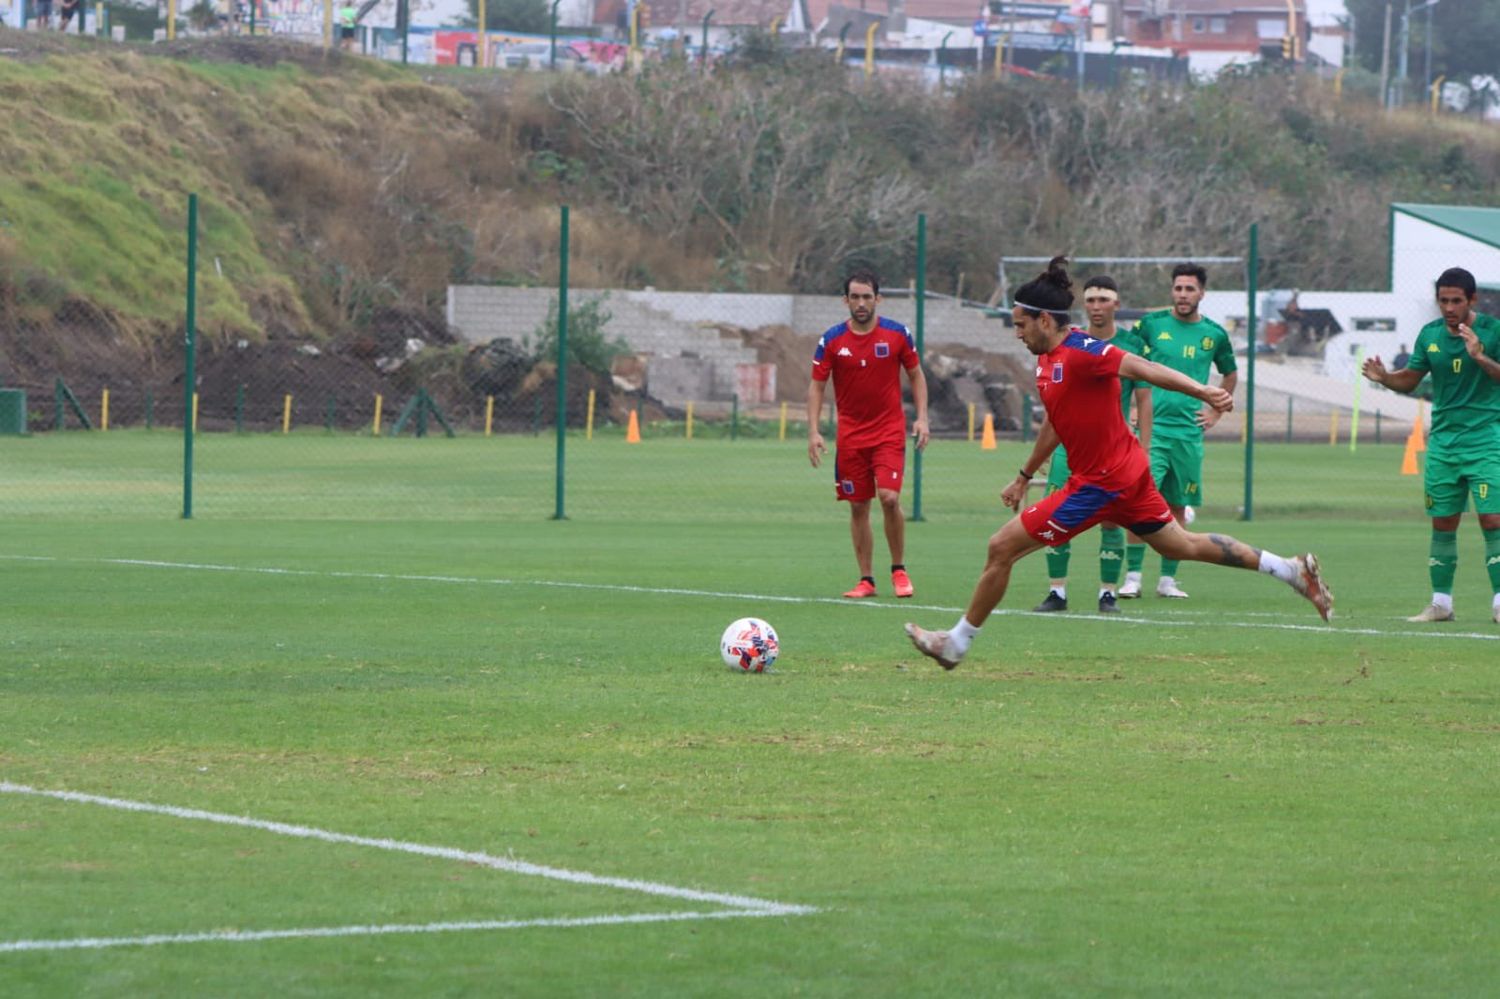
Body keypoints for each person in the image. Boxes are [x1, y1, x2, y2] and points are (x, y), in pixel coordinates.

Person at [904, 258, 1331, 670]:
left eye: (1020, 324)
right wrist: (1024, 474)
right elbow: (1058, 422)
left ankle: (955, 644)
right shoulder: (1046, 362)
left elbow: (1144, 367)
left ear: (1045, 321)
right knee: (1181, 544)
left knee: (1001, 547)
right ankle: (1290, 570)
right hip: (1120, 477)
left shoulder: (1085, 351)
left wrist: (1204, 391)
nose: (1016, 333)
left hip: (1101, 484)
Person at [1362, 267, 1500, 624]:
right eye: (1443, 300)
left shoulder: (1492, 331)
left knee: (1492, 518)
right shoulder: (1430, 335)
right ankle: (1441, 604)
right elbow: (1410, 379)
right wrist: (1386, 379)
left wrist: (1480, 356)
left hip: (1486, 439)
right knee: (1442, 522)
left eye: (1456, 300)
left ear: (1472, 300)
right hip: (1443, 444)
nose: (1449, 307)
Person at [1029, 275, 1152, 615]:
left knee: (1112, 519)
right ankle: (1057, 592)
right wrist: (1041, 453)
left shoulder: (1130, 344)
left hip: (1111, 450)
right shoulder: (1069, 342)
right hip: (1069, 447)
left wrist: (1144, 445)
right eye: (1091, 300)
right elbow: (1057, 403)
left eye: (1104, 299)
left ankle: (1107, 593)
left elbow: (1144, 398)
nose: (1097, 306)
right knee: (1054, 512)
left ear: (1116, 303)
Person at [1117, 262, 1237, 601]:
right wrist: (1130, 410)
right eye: (1178, 288)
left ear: (1202, 293)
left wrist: (1215, 411)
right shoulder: (1151, 325)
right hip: (1152, 433)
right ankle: (1133, 577)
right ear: (1172, 291)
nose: (1183, 295)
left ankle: (1168, 580)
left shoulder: (1214, 334)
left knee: (1178, 507)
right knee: (1138, 502)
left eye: (1190, 289)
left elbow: (1229, 374)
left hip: (1188, 433)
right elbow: (1125, 366)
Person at [808, 270, 930, 599]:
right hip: (850, 436)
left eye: (867, 297)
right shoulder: (832, 340)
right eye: (855, 297)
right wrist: (814, 431)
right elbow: (817, 386)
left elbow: (916, 375)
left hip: (888, 431)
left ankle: (899, 569)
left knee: (889, 498)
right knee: (858, 506)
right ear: (845, 300)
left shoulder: (897, 335)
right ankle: (866, 579)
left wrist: (921, 418)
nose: (861, 303)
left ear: (878, 299)